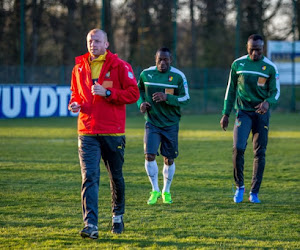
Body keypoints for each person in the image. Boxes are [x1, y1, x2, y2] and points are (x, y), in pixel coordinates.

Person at [68, 29, 139, 239]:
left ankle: (117, 216)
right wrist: (75, 103)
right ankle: (91, 225)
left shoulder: (120, 66)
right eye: (90, 40)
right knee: (89, 177)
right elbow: (76, 93)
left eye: (97, 41)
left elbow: (133, 93)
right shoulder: (79, 67)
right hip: (87, 131)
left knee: (115, 176)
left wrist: (108, 93)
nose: (93, 44)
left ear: (107, 44)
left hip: (113, 132)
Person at [220, 34, 280, 204]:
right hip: (243, 112)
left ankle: (254, 192)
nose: (255, 53)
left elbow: (275, 92)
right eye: (251, 49)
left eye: (258, 50)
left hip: (261, 115)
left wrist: (268, 103)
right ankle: (240, 187)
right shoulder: (238, 64)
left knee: (259, 152)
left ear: (263, 49)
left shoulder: (270, 67)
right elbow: (230, 90)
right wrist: (225, 113)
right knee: (238, 148)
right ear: (247, 48)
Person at [137, 47, 190, 205]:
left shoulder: (178, 76)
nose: (163, 62)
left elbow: (186, 98)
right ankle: (155, 189)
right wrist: (141, 103)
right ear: (155, 59)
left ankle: (166, 191)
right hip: (152, 122)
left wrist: (167, 97)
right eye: (160, 59)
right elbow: (137, 90)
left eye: (166, 59)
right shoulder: (146, 74)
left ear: (171, 59)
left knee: (169, 159)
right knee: (149, 155)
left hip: (171, 124)